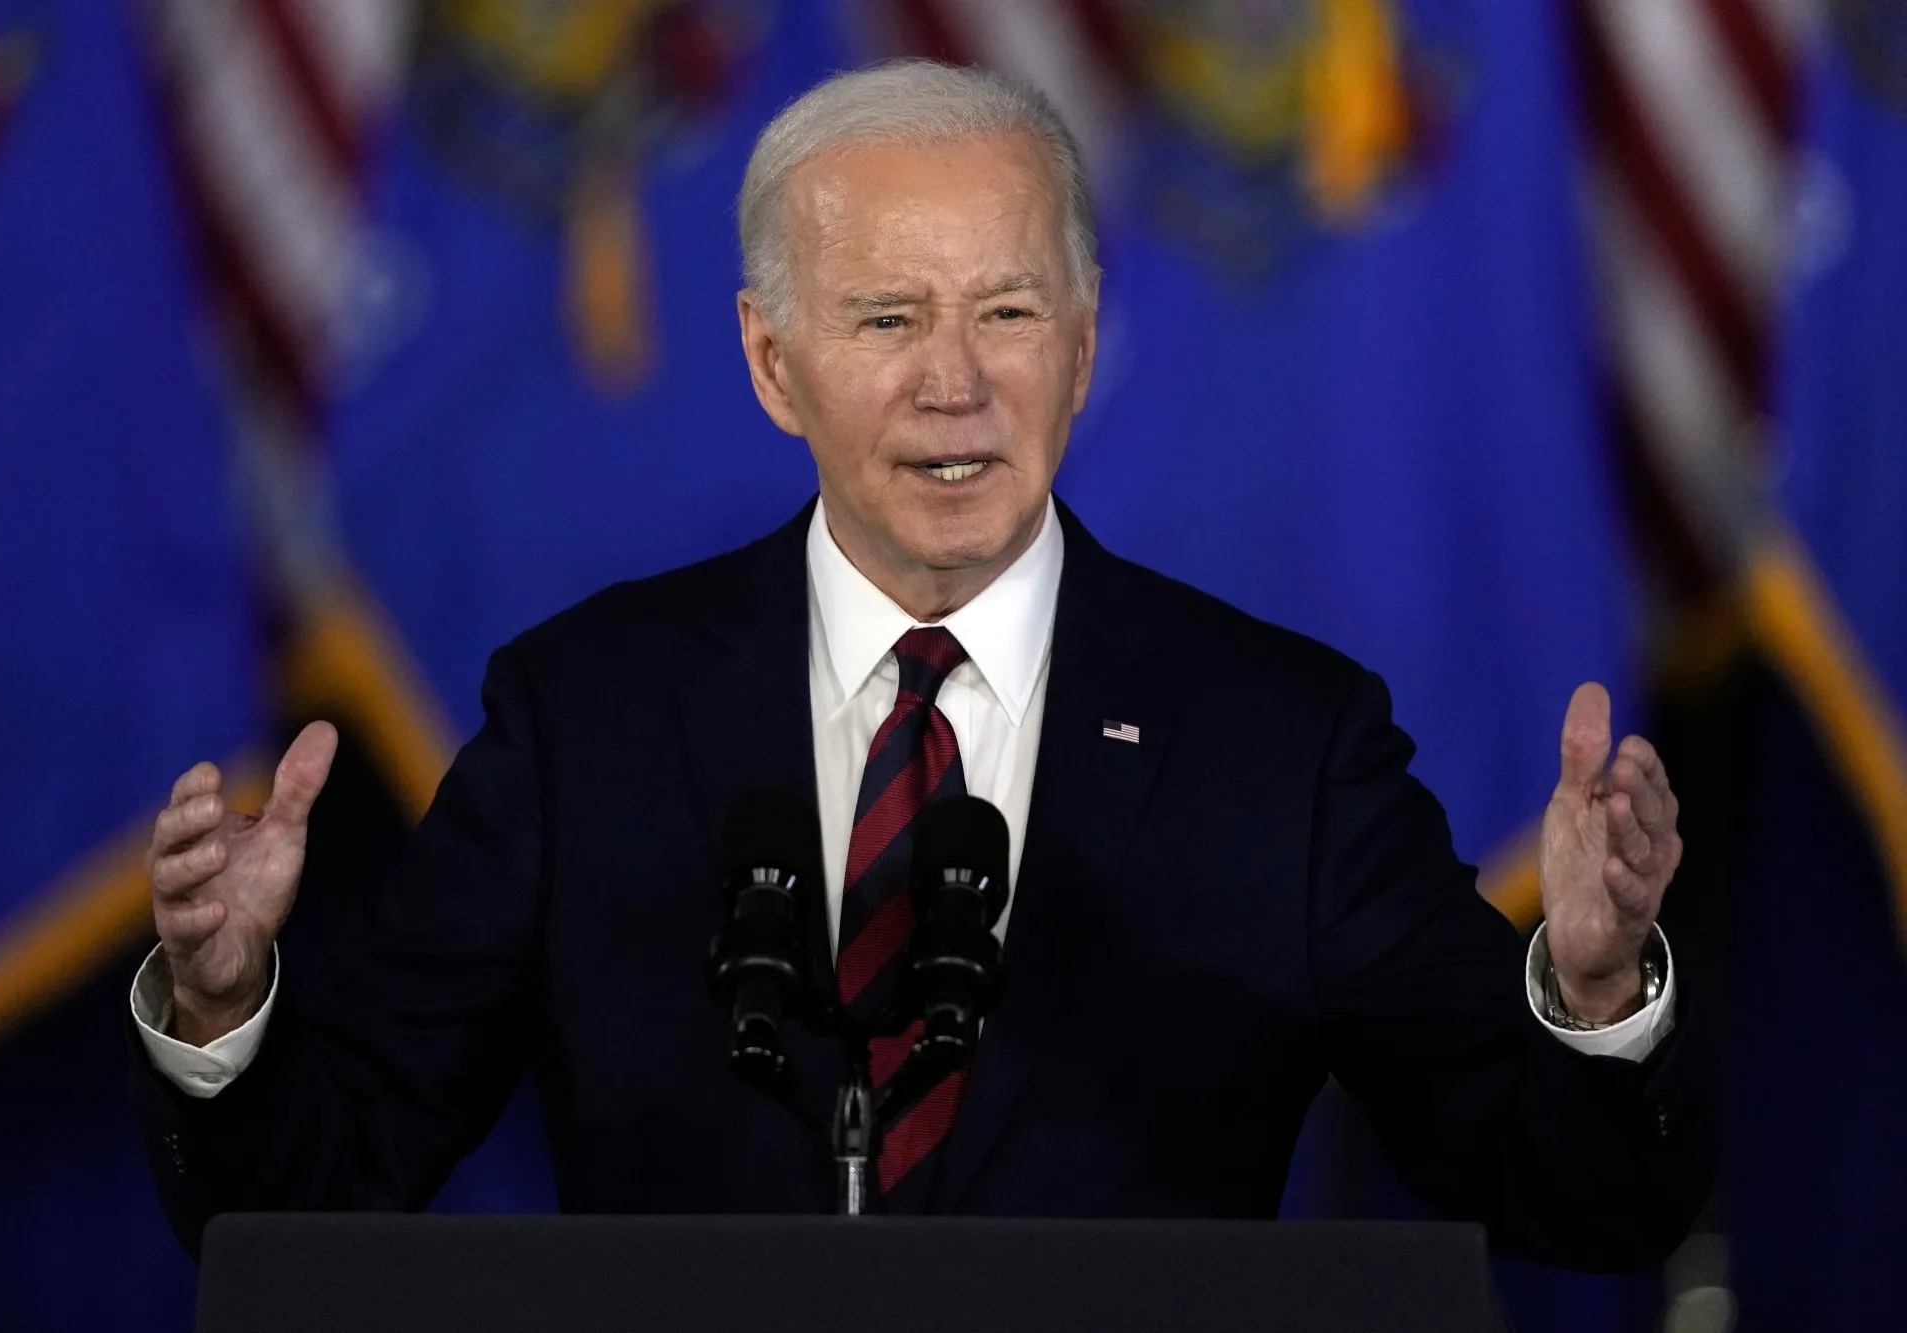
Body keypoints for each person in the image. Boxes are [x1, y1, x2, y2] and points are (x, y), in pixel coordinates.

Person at [134, 60, 1712, 1263]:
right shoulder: (586, 718)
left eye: (1009, 313)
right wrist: (221, 1011)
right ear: (774, 362)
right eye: (888, 319)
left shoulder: (1281, 742)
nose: (955, 385)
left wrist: (1591, 993)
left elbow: (1571, 1193)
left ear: (1084, 348)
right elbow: (315, 1191)